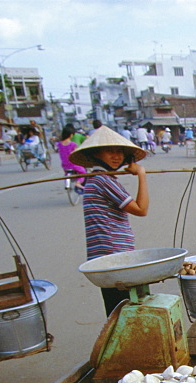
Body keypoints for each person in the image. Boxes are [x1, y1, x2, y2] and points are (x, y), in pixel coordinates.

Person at [69, 126, 150, 315]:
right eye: (109, 151)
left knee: (118, 311)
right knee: (122, 313)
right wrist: (141, 174)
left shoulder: (100, 179)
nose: (116, 156)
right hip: (113, 258)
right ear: (96, 154)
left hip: (109, 258)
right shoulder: (102, 180)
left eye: (120, 152)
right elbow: (141, 209)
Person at [57, 125, 85, 193]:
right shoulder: (72, 144)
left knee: (66, 173)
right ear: (71, 135)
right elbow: (76, 153)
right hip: (73, 164)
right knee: (83, 172)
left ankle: (67, 182)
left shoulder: (59, 144)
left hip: (64, 165)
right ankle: (78, 183)